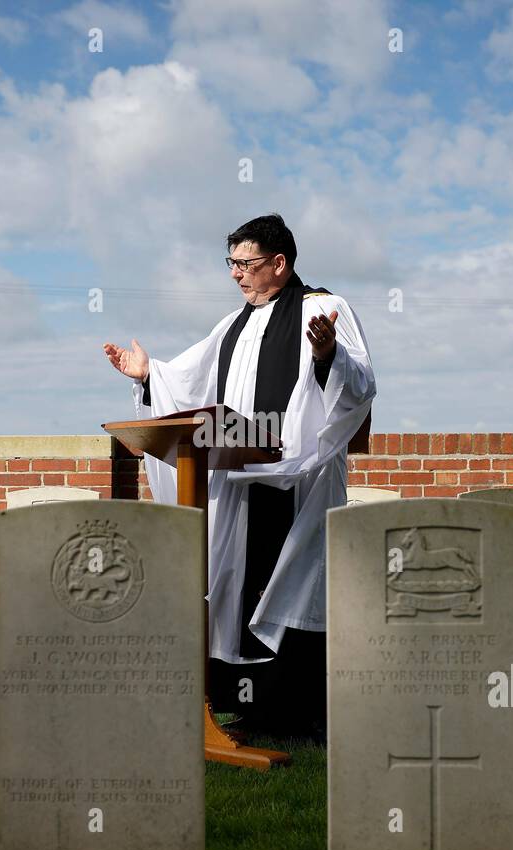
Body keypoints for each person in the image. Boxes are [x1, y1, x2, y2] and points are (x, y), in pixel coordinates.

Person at [102, 213, 375, 738]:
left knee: (293, 587)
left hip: (299, 481)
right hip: (238, 481)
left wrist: (326, 353)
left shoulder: (323, 308)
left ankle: (301, 716)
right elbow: (190, 383)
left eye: (245, 263)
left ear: (279, 263)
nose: (235, 274)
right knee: (238, 590)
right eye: (230, 263)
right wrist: (149, 374)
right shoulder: (232, 325)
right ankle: (252, 709)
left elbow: (360, 382)